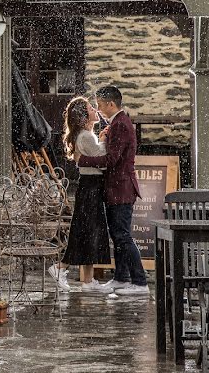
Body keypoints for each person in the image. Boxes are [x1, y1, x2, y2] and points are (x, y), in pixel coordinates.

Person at [77, 85, 149, 296]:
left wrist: (84, 160)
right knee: (117, 235)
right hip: (116, 188)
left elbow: (112, 160)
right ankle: (121, 278)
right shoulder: (117, 123)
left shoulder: (120, 125)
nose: (98, 110)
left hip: (121, 188)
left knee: (123, 235)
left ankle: (139, 282)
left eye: (99, 105)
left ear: (110, 104)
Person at [48, 97, 111, 292]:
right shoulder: (86, 136)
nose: (95, 110)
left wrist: (99, 139)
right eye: (91, 108)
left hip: (89, 187)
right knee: (86, 231)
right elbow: (101, 157)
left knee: (87, 231)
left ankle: (88, 281)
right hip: (90, 188)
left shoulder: (85, 135)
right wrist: (105, 140)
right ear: (84, 116)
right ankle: (60, 267)